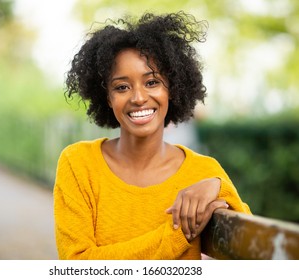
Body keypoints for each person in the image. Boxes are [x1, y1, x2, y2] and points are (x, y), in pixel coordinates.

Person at [53, 11, 251, 260]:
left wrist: (219, 187)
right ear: (107, 97)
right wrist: (178, 235)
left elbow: (251, 250)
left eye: (152, 82)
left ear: (173, 88)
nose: (138, 98)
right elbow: (78, 263)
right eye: (122, 87)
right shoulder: (78, 163)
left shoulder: (205, 172)